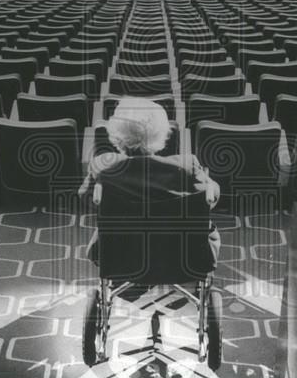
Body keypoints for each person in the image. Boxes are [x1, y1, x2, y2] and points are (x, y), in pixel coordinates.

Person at [79, 97, 222, 268]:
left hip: (121, 252)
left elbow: (86, 197)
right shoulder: (187, 166)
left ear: (116, 134)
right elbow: (210, 200)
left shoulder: (103, 166)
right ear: (162, 134)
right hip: (181, 252)